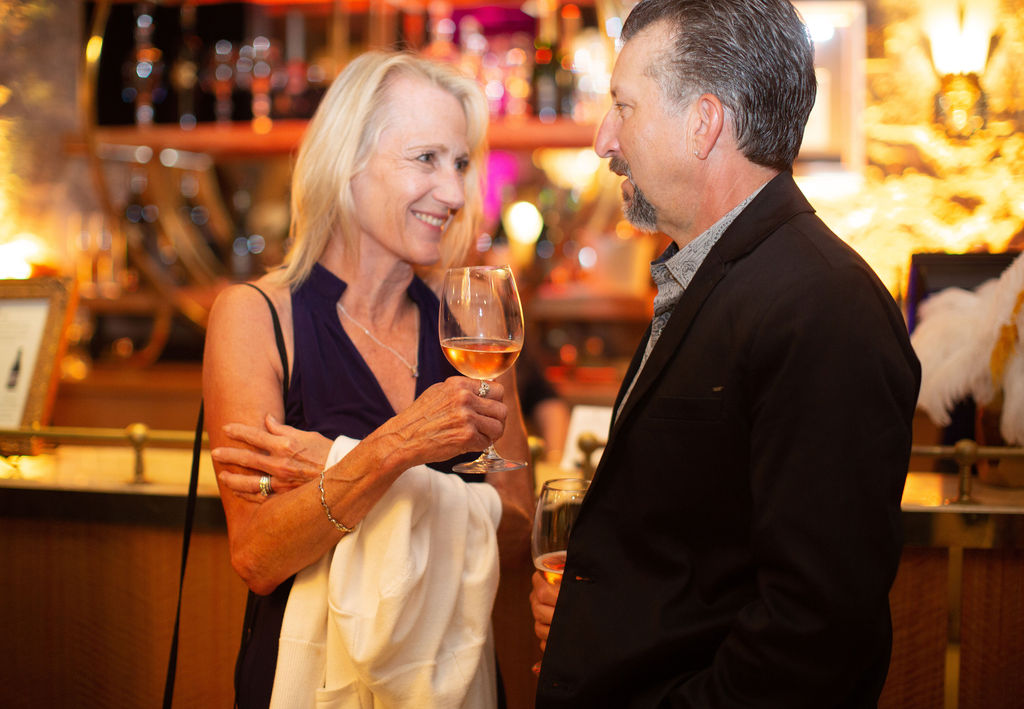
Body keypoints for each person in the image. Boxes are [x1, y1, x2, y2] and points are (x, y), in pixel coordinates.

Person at [528, 1, 922, 706]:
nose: (602, 138)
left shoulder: (824, 306)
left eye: (624, 106)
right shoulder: (712, 273)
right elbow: (703, 552)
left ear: (704, 122)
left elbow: (814, 635)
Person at [203, 50, 534, 708]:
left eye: (461, 163)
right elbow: (259, 556)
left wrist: (328, 467)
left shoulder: (472, 324)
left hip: (450, 676)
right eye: (426, 159)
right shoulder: (257, 316)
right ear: (348, 161)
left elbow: (519, 521)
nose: (455, 193)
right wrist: (395, 446)